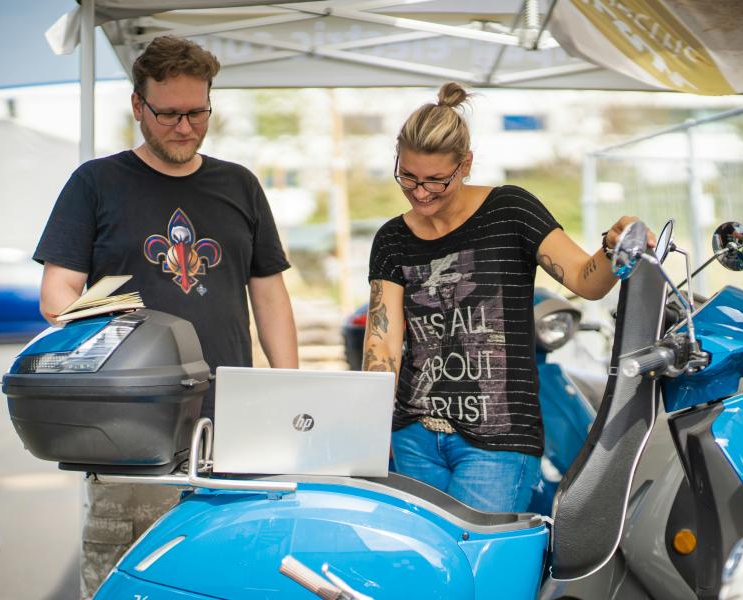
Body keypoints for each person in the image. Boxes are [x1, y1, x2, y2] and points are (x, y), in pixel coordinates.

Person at [33, 36, 298, 598]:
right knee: (126, 579)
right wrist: (90, 315)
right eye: (170, 114)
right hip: (129, 434)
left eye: (198, 112)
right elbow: (58, 292)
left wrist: (289, 389)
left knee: (228, 576)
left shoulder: (240, 185)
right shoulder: (95, 183)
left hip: (232, 427)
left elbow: (270, 294)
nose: (185, 127)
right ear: (138, 107)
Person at [363, 82, 653, 514]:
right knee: (423, 569)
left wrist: (615, 247)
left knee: (481, 567)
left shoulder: (510, 210)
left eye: (436, 181)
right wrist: (369, 431)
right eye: (408, 177)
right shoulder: (391, 238)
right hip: (413, 438)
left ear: (465, 165)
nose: (420, 192)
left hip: (498, 442)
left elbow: (584, 280)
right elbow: (382, 345)